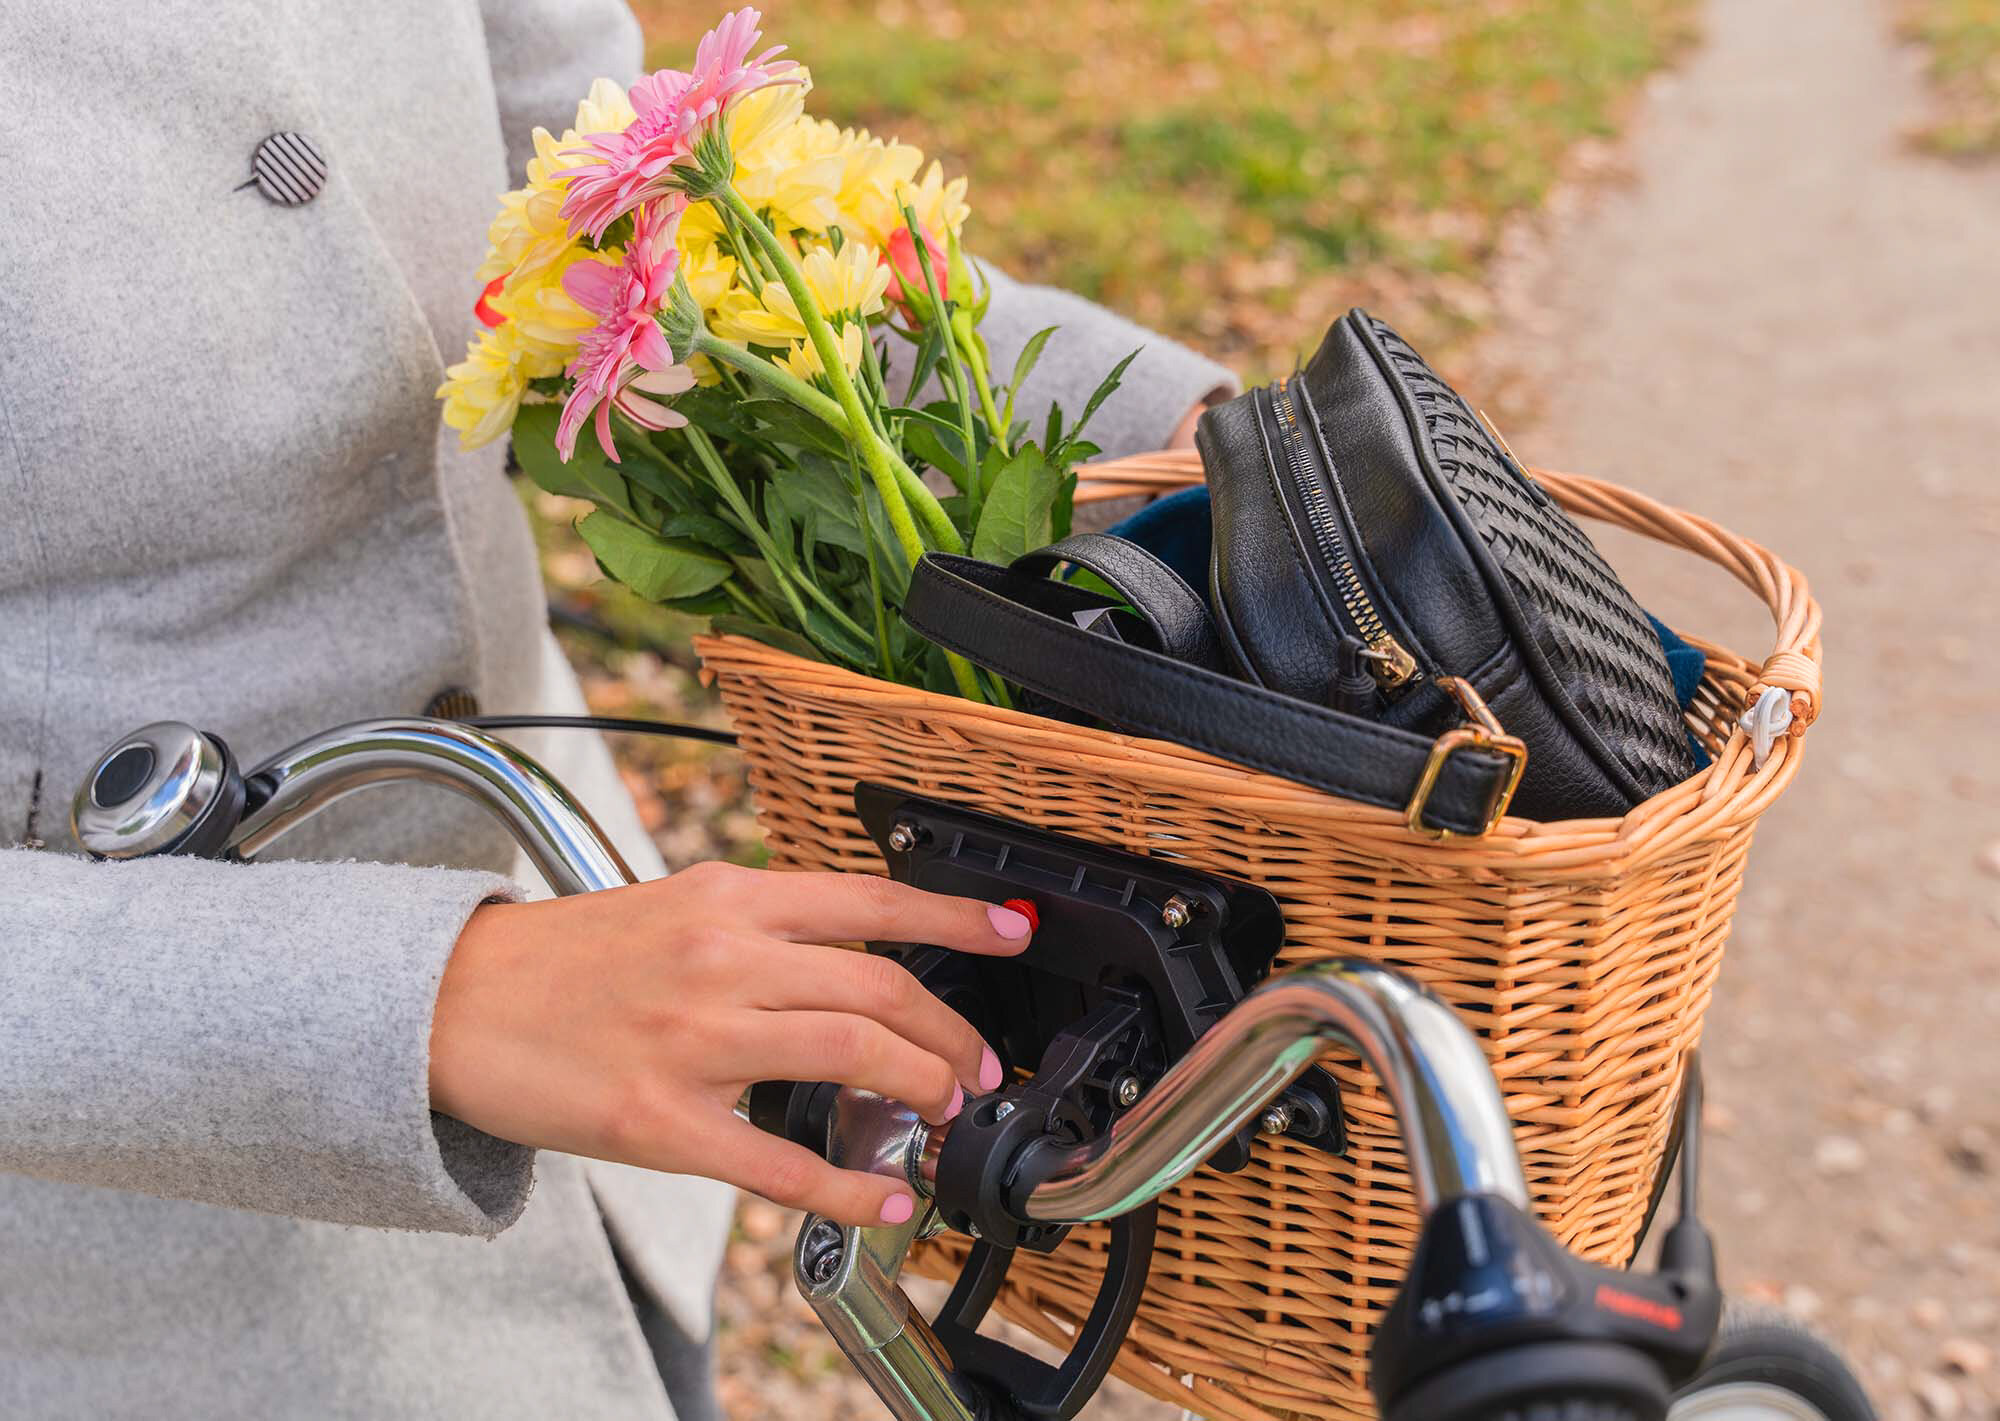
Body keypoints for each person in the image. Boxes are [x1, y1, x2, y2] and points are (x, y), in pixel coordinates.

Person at [0, 4, 1232, 1418]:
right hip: (128, 1302)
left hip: (620, 1163)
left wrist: (1242, 449)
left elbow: (625, 177)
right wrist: (426, 1001)